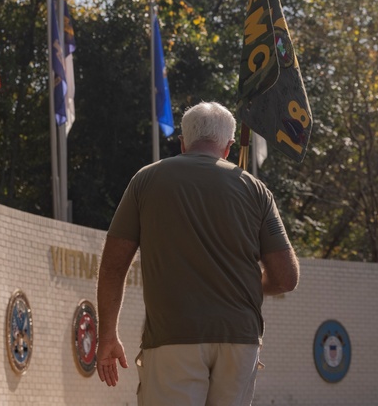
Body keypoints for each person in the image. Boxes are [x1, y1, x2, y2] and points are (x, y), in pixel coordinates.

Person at [96, 101, 299, 405]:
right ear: (229, 147)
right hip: (239, 339)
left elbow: (113, 266)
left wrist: (108, 335)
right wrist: (244, 285)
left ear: (182, 142)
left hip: (172, 336)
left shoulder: (146, 180)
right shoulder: (256, 190)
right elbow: (286, 278)